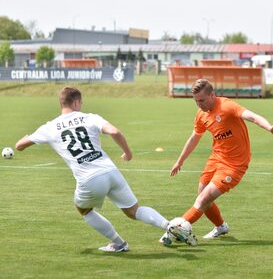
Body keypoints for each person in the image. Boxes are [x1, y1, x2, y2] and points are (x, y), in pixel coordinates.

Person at [15, 86, 192, 252]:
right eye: (81, 103)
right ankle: (169, 225)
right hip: (111, 172)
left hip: (89, 179)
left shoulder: (50, 127)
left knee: (84, 210)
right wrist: (128, 153)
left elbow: (19, 146)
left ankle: (118, 243)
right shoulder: (91, 117)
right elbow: (114, 132)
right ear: (76, 102)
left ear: (62, 103)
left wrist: (25, 139)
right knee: (134, 210)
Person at [160, 79, 273, 245]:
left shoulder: (227, 106)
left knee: (203, 199)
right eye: (196, 101)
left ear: (212, 95)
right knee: (202, 194)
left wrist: (269, 127)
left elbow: (251, 116)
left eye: (202, 100)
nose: (199, 105)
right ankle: (221, 226)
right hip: (216, 158)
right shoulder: (201, 115)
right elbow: (194, 138)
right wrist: (180, 161)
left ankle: (176, 228)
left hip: (235, 164)